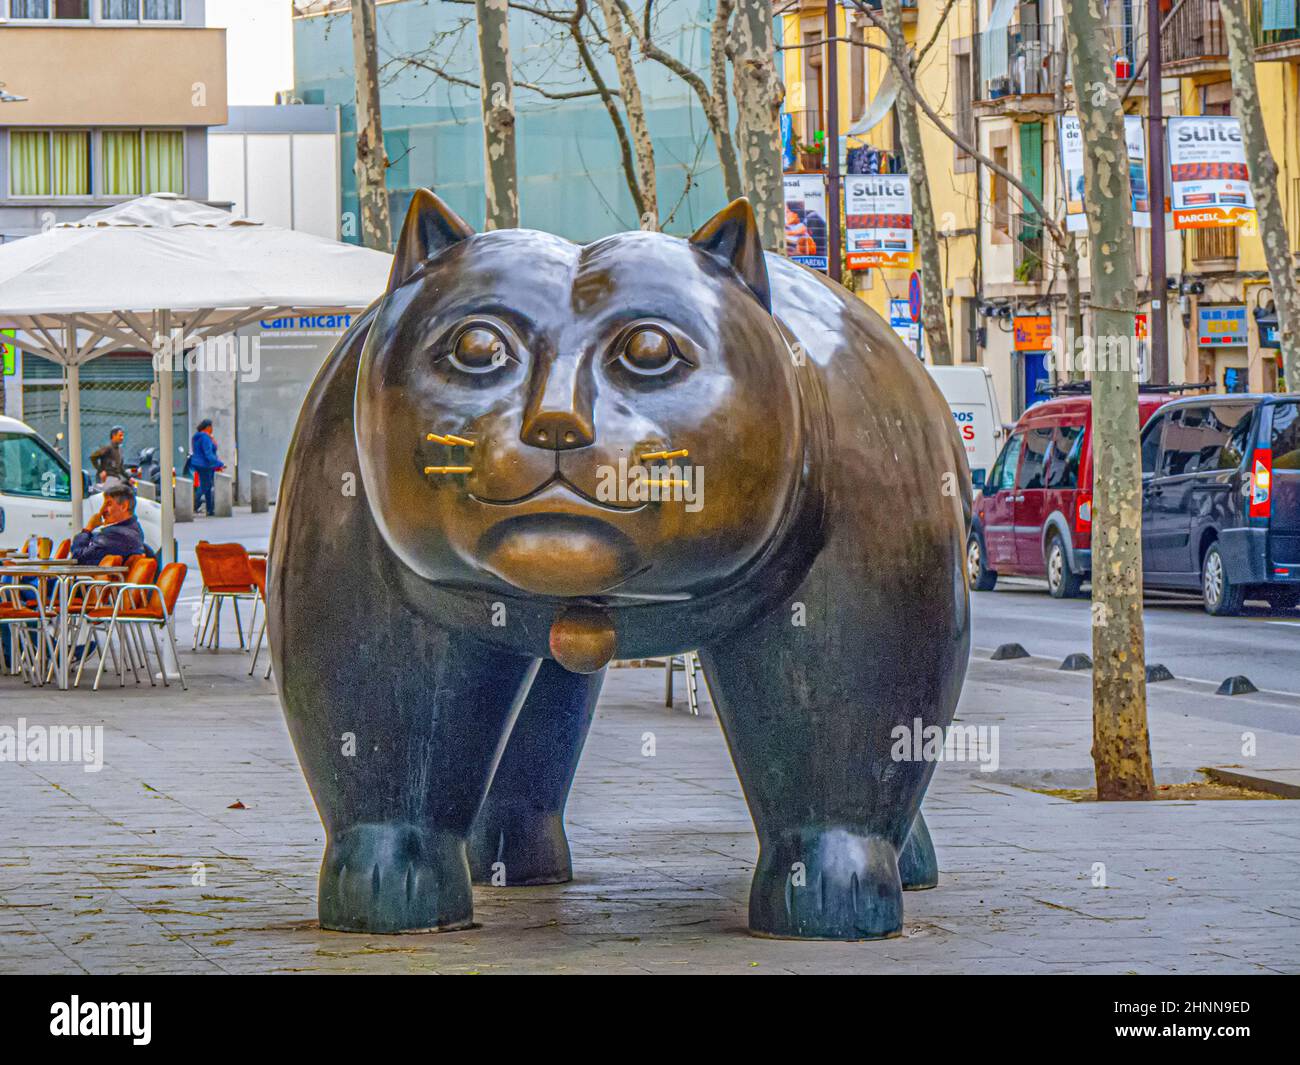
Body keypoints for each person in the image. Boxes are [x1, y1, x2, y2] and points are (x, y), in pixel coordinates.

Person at [70, 484, 145, 566]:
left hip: (89, 577)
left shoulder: (116, 535)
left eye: (108, 504)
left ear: (124, 506)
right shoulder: (132, 530)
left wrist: (88, 529)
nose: (102, 510)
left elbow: (78, 558)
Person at [189, 419, 225, 516]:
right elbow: (208, 454)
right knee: (205, 486)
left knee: (207, 486)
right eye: (211, 427)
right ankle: (193, 505)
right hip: (206, 465)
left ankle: (210, 509)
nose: (212, 429)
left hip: (198, 463)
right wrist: (219, 463)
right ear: (208, 427)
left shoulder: (196, 437)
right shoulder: (205, 438)